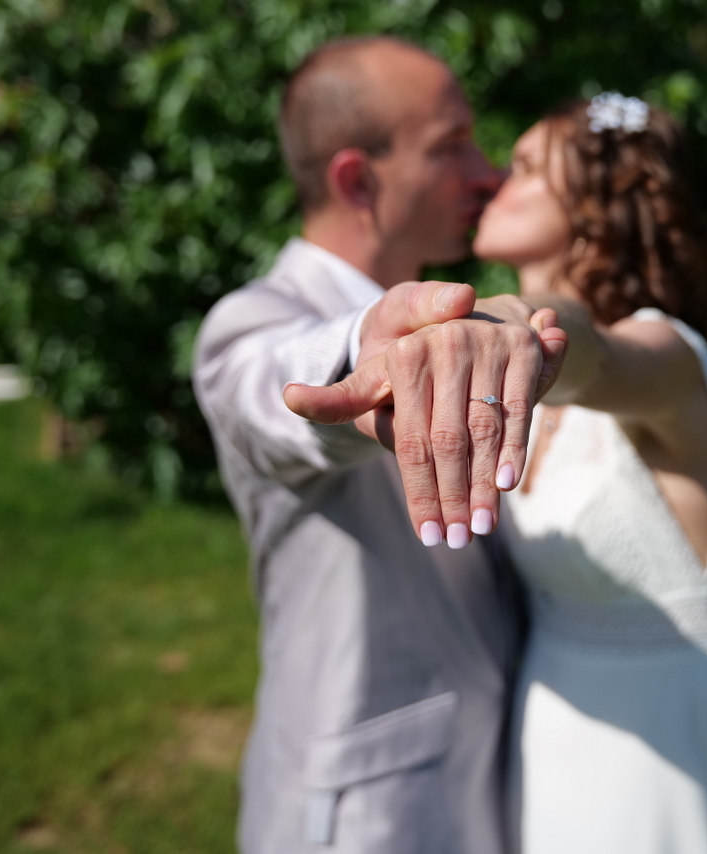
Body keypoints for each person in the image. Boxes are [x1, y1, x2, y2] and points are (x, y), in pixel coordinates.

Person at [193, 37, 564, 854]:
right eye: (451, 146)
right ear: (357, 180)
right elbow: (283, 388)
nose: (488, 174)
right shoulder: (251, 324)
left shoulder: (473, 324)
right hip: (369, 817)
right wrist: (371, 350)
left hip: (503, 783)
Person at [470, 93, 707, 852]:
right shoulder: (517, 404)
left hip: (657, 758)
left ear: (596, 203)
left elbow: (592, 353)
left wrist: (503, 329)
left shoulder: (665, 360)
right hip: (541, 740)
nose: (494, 184)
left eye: (527, 167)